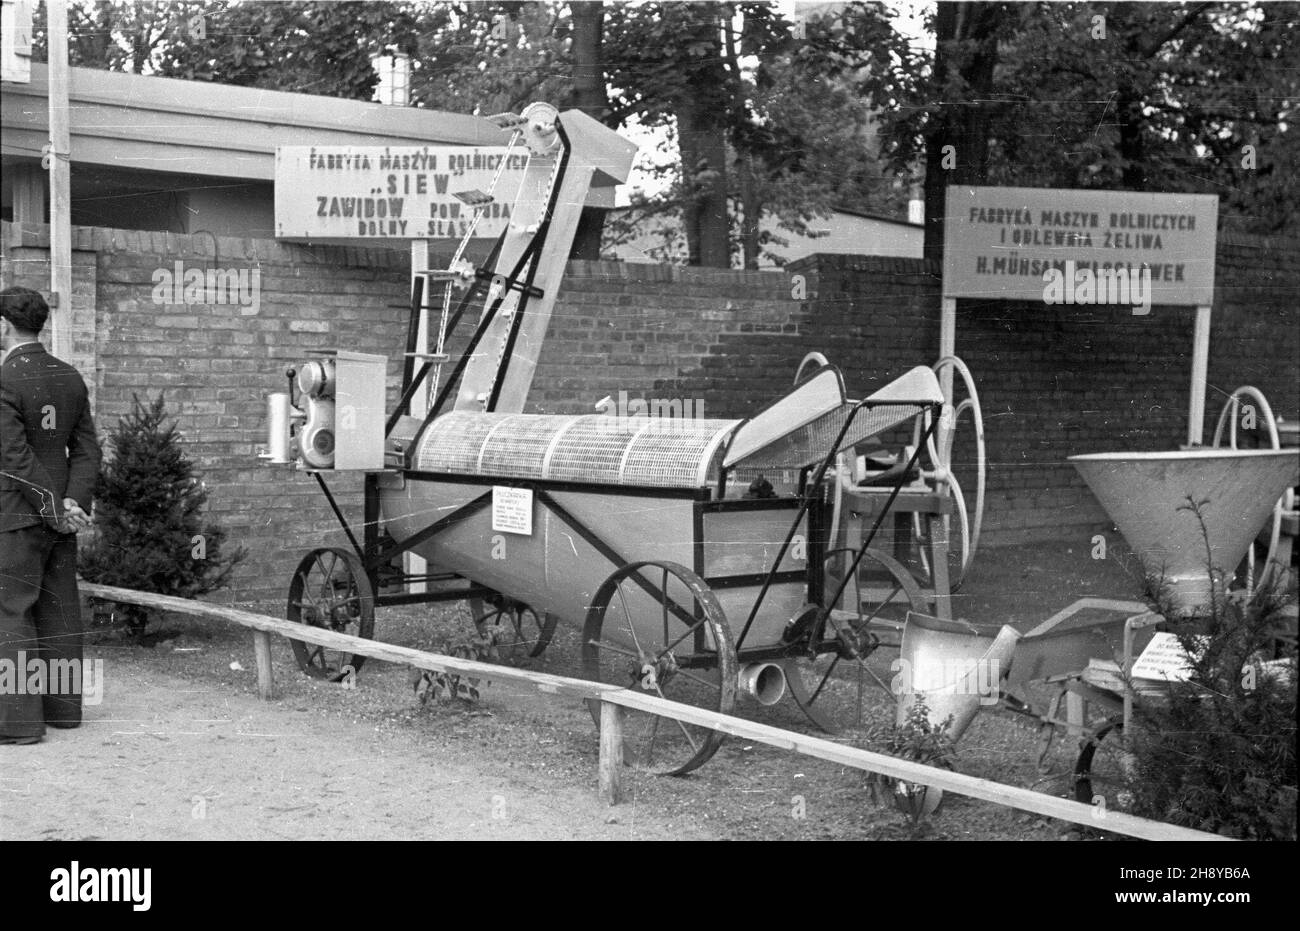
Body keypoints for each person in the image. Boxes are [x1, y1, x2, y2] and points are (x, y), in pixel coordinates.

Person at [0, 286, 101, 745]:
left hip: (16, 516)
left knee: (12, 611)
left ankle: (20, 725)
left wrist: (51, 509)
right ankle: (64, 712)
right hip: (61, 516)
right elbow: (86, 452)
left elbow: (15, 458)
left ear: (4, 326)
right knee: (59, 607)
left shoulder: (4, 380)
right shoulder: (70, 377)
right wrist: (70, 504)